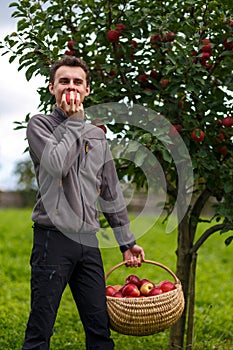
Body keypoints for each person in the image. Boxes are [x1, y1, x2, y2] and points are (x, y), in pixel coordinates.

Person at [22, 56, 145, 350]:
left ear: (87, 90)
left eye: (78, 82)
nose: (71, 87)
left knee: (100, 328)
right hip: (53, 238)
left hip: (88, 243)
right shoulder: (39, 125)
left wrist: (126, 242)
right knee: (41, 327)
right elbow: (57, 164)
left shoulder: (97, 137)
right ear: (52, 87)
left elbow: (111, 193)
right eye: (64, 81)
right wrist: (76, 122)